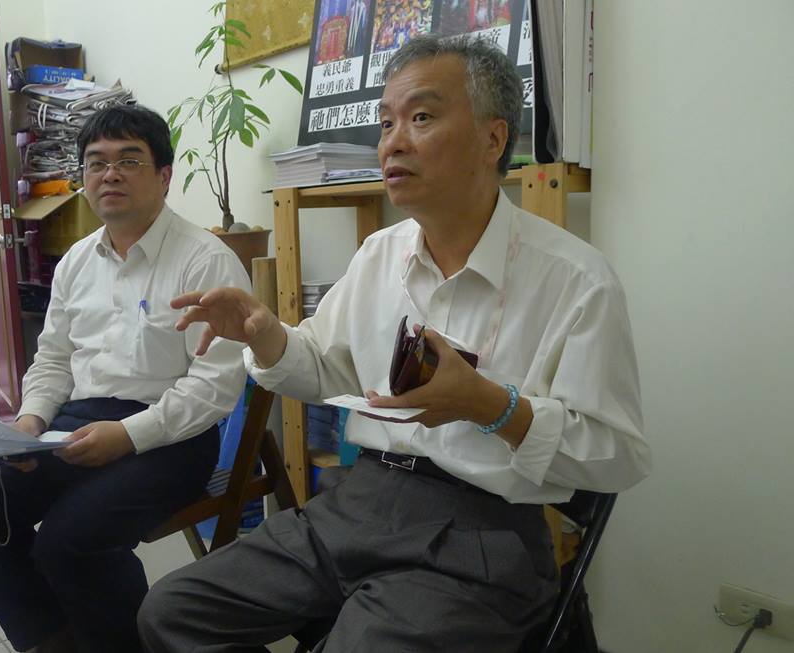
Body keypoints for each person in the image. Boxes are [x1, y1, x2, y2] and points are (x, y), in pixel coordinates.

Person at [138, 34, 651, 653]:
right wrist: (266, 333)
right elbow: (322, 368)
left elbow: (616, 455)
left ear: (493, 139)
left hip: (481, 533)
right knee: (171, 613)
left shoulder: (577, 280)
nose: (392, 143)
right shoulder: (380, 254)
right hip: (359, 501)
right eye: (386, 123)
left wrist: (491, 406)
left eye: (422, 117)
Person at [0, 105, 251, 653]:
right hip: (76, 423)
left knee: (70, 542)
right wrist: (30, 423)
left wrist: (127, 435)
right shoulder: (77, 261)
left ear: (164, 175)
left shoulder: (206, 260)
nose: (110, 175)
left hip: (173, 438)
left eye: (129, 160)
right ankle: (54, 640)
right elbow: (54, 358)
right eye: (96, 163)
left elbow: (214, 388)